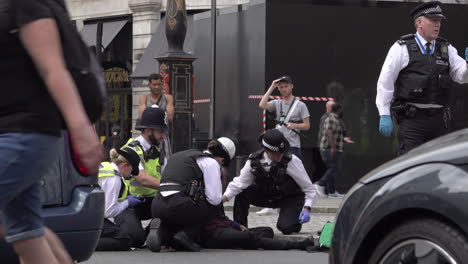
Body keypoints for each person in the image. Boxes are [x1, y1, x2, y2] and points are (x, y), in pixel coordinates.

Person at [0, 0, 103, 263]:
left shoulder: (27, 3)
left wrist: (81, 129)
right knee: (27, 235)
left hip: (23, 136)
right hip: (18, 136)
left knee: (27, 233)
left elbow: (53, 68)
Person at [376, 1, 468, 155]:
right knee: (410, 167)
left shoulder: (446, 49)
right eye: (433, 20)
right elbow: (386, 81)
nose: (437, 24)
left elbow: (462, 77)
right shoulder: (402, 48)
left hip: (439, 121)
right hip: (412, 121)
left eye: (439, 21)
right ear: (419, 23)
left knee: (438, 166)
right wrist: (384, 113)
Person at [147, 137, 236, 252]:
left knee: (179, 213)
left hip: (157, 205)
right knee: (211, 206)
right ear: (223, 160)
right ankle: (187, 234)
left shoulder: (180, 155)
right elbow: (214, 199)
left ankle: (162, 232)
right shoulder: (211, 163)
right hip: (178, 205)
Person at [222, 129, 317, 235]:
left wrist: (307, 208)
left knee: (286, 228)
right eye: (276, 153)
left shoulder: (292, 161)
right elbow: (238, 184)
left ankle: (293, 218)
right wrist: (223, 199)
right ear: (265, 150)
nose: (280, 156)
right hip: (266, 196)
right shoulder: (253, 161)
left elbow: (309, 189)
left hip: (288, 198)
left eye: (282, 152)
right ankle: (240, 229)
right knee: (242, 192)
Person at [122, 105, 169, 221]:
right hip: (132, 203)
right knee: (135, 236)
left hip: (153, 201)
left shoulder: (157, 149)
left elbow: (167, 175)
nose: (163, 136)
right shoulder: (131, 150)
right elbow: (143, 179)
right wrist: (170, 186)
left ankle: (154, 232)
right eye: (161, 131)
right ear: (148, 131)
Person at [200, 205, 315, 251]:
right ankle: (297, 245)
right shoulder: (203, 196)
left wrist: (239, 226)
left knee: (267, 230)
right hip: (213, 233)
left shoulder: (214, 195)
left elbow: (223, 218)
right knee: (249, 236)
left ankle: (243, 242)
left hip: (226, 228)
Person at [96, 147, 146, 251]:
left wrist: (124, 200)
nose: (131, 174)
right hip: (91, 218)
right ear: (124, 166)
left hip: (85, 214)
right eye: (132, 170)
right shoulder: (114, 178)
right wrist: (127, 202)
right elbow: (108, 211)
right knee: (124, 239)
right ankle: (81, 246)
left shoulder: (105, 167)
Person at [259, 75, 310, 159]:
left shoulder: (300, 105)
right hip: (278, 145)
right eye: (281, 87)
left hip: (293, 146)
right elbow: (262, 105)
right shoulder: (277, 103)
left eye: (286, 86)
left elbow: (307, 125)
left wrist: (295, 125)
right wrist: (272, 87)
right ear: (278, 88)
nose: (284, 89)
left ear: (292, 86)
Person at [138, 73, 174, 157]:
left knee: (164, 158)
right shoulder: (144, 98)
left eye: (159, 84)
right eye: (154, 84)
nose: (156, 87)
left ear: (162, 84)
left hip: (162, 135)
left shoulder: (168, 98)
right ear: (149, 85)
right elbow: (142, 117)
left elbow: (170, 117)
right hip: (149, 135)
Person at [314, 103, 345, 198]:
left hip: (333, 148)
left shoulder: (336, 119)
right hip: (328, 148)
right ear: (338, 110)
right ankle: (319, 184)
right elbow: (329, 132)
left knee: (332, 169)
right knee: (333, 168)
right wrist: (332, 147)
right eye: (341, 110)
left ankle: (331, 192)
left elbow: (337, 133)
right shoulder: (331, 118)